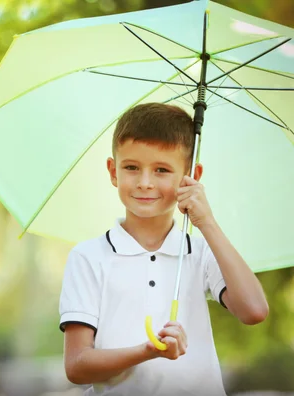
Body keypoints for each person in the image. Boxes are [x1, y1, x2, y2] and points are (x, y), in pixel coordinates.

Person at [58, 103, 269, 396]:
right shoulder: (89, 257)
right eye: (131, 167)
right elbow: (77, 366)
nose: (145, 183)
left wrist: (206, 221)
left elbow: (254, 310)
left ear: (191, 175)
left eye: (162, 170)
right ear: (113, 170)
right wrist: (148, 351)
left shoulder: (202, 251)